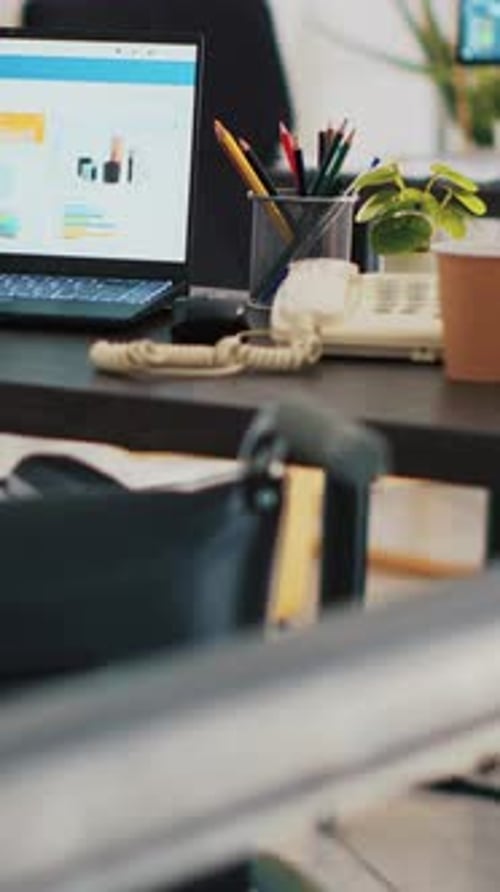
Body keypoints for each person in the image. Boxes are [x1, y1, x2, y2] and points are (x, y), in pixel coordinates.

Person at [23, 0, 295, 288]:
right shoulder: (240, 9)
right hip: (216, 255)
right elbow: (270, 125)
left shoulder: (53, 6)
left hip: (72, 248)